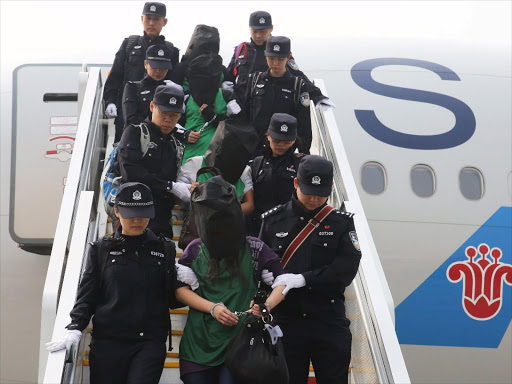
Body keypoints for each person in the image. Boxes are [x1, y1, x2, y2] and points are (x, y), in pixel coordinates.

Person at [46, 182, 177, 384]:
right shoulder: (101, 249)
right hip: (109, 341)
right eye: (131, 213)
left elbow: (172, 296)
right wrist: (75, 327)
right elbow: (87, 294)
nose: (137, 219)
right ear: (116, 211)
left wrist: (188, 280)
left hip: (149, 341)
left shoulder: (164, 248)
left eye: (143, 213)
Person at [174, 176, 288, 384]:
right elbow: (179, 290)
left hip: (242, 342)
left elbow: (283, 281)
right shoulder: (195, 249)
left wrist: (266, 305)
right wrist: (212, 308)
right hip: (198, 343)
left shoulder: (255, 247)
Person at [259, 155, 362, 384]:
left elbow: (346, 268)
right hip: (286, 320)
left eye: (321, 193)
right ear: (296, 183)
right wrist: (263, 275)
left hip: (328, 319)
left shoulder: (341, 223)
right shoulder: (273, 219)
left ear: (331, 188)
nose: (314, 199)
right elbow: (257, 260)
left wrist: (303, 279)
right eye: (308, 191)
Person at [116, 83, 191, 237]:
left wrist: (184, 186)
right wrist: (170, 186)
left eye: (174, 115)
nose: (168, 120)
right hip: (134, 213)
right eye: (164, 113)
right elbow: (130, 172)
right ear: (152, 106)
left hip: (163, 217)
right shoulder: (135, 132)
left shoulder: (175, 144)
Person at [103, 2, 180, 142]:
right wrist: (110, 101)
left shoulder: (170, 50)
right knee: (125, 146)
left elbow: (174, 81)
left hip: (159, 112)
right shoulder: (130, 44)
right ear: (142, 19)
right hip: (128, 108)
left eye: (156, 19)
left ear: (165, 21)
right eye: (148, 18)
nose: (151, 23)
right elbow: (115, 76)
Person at [226, 10, 332, 107]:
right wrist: (229, 98)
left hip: (264, 108)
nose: (258, 36)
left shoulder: (279, 51)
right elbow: (228, 77)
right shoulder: (241, 50)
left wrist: (317, 95)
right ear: (249, 29)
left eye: (263, 31)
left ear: (271, 28)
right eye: (254, 31)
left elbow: (297, 75)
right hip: (240, 108)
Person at [244, 36, 313, 154]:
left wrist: (303, 154)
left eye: (280, 59)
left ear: (288, 57)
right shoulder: (255, 80)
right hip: (256, 149)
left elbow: (304, 124)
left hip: (284, 150)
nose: (275, 63)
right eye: (271, 58)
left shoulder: (297, 85)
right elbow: (246, 114)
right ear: (265, 54)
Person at [180, 52, 243, 163]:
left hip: (217, 161)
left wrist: (214, 117)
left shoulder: (227, 96)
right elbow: (170, 124)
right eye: (198, 79)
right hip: (188, 160)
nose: (202, 85)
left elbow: (240, 126)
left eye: (206, 80)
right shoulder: (185, 98)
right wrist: (184, 134)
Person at [248, 113, 304, 235]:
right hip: (260, 228)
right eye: (276, 140)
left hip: (290, 228)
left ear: (293, 140)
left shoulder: (302, 164)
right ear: (268, 136)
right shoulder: (257, 164)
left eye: (286, 141)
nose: (281, 145)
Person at [122, 44, 175, 127]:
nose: (158, 71)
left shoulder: (172, 89)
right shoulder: (133, 88)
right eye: (155, 66)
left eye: (163, 67)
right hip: (139, 135)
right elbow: (130, 119)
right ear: (145, 64)